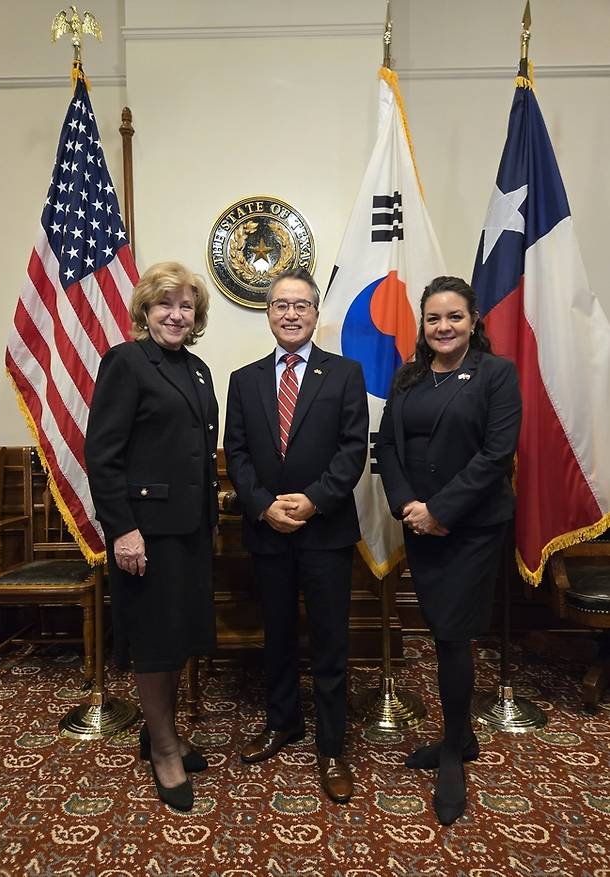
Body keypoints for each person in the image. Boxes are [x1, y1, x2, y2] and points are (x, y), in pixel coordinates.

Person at [375, 276, 521, 825]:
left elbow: (495, 454)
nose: (443, 327)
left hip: (472, 526)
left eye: (454, 317)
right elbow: (387, 445)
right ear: (423, 323)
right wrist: (409, 504)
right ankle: (461, 735)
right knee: (441, 631)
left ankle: (454, 751)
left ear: (474, 318)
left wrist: (441, 509)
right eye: (434, 319)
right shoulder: (409, 377)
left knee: (455, 636)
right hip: (420, 524)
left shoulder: (496, 375)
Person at [223, 267, 369, 804]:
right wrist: (263, 506)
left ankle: (332, 745)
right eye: (280, 305)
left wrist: (313, 500)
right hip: (268, 533)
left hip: (325, 531)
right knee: (278, 636)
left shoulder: (346, 374)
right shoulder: (244, 379)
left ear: (314, 313)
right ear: (268, 314)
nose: (290, 313)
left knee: (330, 641)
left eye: (300, 305)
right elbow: (235, 453)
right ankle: (282, 722)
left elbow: (354, 449)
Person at [85, 261, 219, 813]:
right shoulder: (126, 361)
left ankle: (158, 733)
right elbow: (103, 454)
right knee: (154, 641)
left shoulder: (198, 370)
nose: (176, 314)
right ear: (145, 310)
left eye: (186, 306)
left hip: (188, 531)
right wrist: (123, 530)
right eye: (166, 304)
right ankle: (163, 747)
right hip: (145, 533)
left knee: (177, 638)